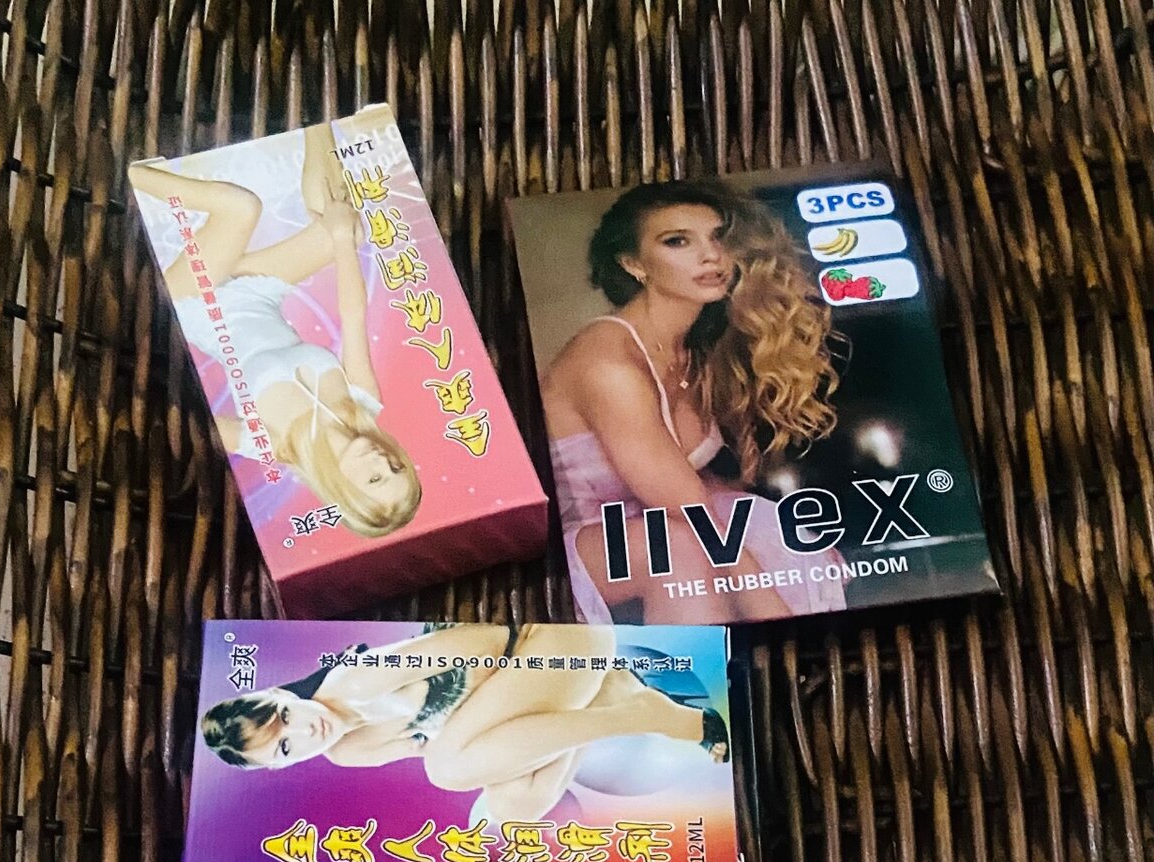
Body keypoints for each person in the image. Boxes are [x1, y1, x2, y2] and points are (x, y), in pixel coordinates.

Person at [540, 181, 848, 623]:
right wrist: (775, 615)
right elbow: (691, 513)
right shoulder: (609, 365)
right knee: (677, 548)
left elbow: (694, 486)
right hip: (576, 546)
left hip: (659, 525)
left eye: (718, 238)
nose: (711, 256)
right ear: (633, 264)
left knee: (774, 532)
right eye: (678, 241)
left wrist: (791, 542)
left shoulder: (694, 350)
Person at [129, 124, 421, 537]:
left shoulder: (273, 446)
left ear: (345, 493)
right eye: (395, 467)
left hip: (198, 303)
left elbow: (182, 421)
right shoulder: (363, 403)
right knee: (347, 230)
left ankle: (132, 176)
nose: (380, 460)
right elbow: (354, 315)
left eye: (375, 478)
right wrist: (340, 238)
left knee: (241, 207)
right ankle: (319, 126)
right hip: (259, 290)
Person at [200, 624, 729, 823]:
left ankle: (644, 714)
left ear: (280, 693)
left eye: (286, 717)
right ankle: (615, 697)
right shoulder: (348, 751)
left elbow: (489, 641)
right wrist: (493, 734)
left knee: (447, 768)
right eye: (285, 749)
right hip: (552, 694)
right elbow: (479, 751)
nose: (304, 733)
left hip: (556, 647)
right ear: (283, 767)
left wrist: (483, 717)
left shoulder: (359, 677)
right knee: (515, 805)